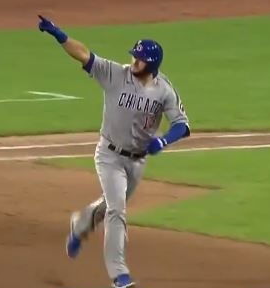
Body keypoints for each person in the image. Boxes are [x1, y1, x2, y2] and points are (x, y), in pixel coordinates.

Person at [38, 15, 191, 288]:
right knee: (117, 211)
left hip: (137, 161)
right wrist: (60, 35)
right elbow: (84, 54)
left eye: (139, 58)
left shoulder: (165, 91)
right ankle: (119, 275)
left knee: (111, 206)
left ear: (152, 64)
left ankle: (81, 223)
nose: (134, 61)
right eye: (134, 56)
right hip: (108, 155)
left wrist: (163, 141)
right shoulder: (115, 74)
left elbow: (182, 125)